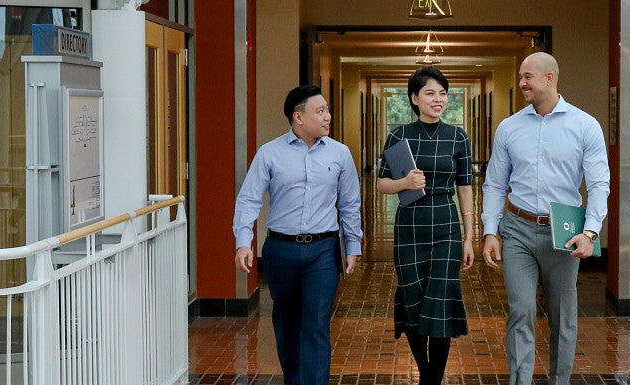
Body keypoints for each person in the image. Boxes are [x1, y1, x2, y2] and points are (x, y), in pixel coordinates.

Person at [480, 52, 609, 385]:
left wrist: (591, 232)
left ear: (549, 78)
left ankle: (559, 380)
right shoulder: (509, 127)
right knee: (520, 310)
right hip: (518, 231)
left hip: (563, 232)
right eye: (521, 76)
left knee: (563, 317)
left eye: (528, 77)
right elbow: (494, 183)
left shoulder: (585, 126)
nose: (522, 83)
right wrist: (490, 232)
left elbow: (598, 185)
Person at [232, 85, 362, 385]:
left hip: (324, 250)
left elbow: (350, 203)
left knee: (316, 323)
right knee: (287, 322)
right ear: (298, 117)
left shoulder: (340, 153)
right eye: (321, 111)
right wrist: (243, 243)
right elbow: (249, 199)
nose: (328, 116)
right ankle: (294, 380)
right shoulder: (270, 153)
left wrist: (352, 245)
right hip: (281, 249)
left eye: (327, 110)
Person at [375, 66, 475, 385]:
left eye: (443, 93)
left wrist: (470, 236)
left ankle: (433, 378)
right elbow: (381, 184)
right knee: (413, 300)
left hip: (447, 224)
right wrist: (404, 181)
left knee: (440, 301)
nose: (439, 99)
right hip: (410, 225)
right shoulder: (399, 135)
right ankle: (425, 372)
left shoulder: (458, 136)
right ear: (414, 98)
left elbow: (465, 187)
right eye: (430, 93)